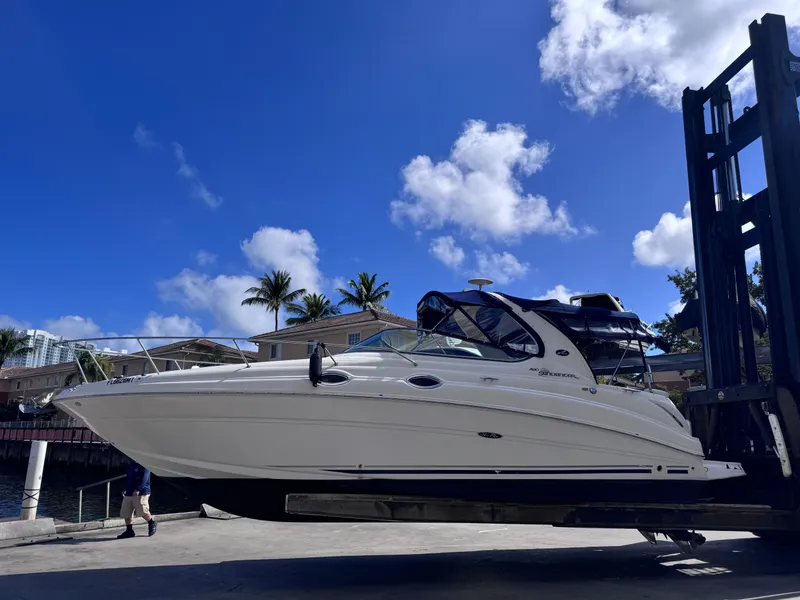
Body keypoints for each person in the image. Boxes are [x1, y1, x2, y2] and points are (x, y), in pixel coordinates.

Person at [117, 460, 157, 539]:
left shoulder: (145, 463)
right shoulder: (132, 463)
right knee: (126, 511)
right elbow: (128, 476)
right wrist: (124, 487)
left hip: (141, 492)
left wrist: (138, 489)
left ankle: (151, 523)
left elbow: (144, 477)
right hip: (129, 491)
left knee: (142, 510)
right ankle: (129, 530)